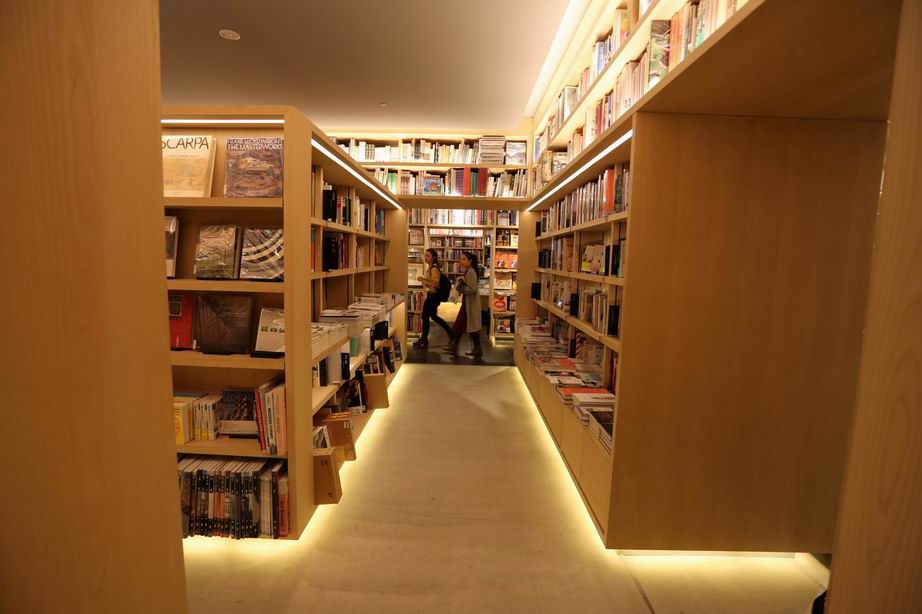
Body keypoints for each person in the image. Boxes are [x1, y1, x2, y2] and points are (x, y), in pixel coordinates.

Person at [445, 251, 483, 358]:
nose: (461, 261)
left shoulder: (471, 272)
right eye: (460, 259)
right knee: (465, 325)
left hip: (470, 303)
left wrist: (460, 287)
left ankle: (454, 346)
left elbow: (472, 289)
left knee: (462, 323)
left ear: (470, 261)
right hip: (468, 302)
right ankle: (475, 348)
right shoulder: (469, 271)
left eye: (464, 259)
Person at [413, 248, 452, 349]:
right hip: (433, 296)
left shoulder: (433, 269)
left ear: (433, 258)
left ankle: (424, 339)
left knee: (425, 316)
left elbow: (435, 284)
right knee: (433, 316)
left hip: (433, 296)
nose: (425, 257)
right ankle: (451, 333)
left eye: (428, 256)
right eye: (425, 255)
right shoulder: (431, 268)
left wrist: (422, 280)